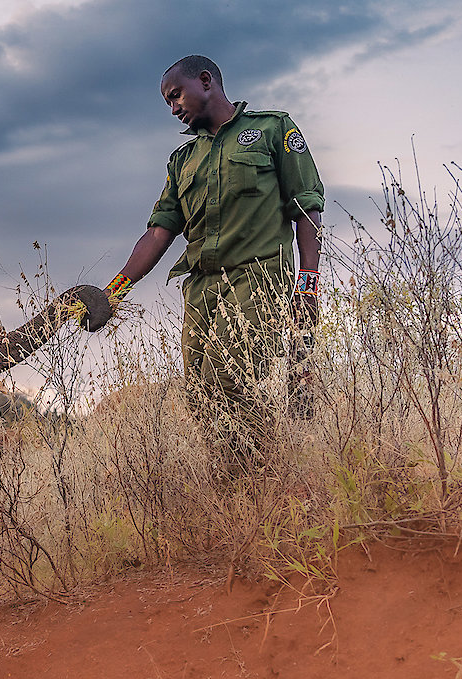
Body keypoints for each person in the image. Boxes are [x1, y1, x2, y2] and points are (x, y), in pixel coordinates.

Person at [102, 55, 324, 451]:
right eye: (167, 103)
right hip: (201, 289)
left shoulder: (272, 129)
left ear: (205, 81)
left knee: (229, 378)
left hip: (257, 278)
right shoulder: (183, 161)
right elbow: (157, 234)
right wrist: (112, 292)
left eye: (176, 97)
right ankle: (234, 487)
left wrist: (308, 286)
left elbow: (306, 209)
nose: (173, 109)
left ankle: (260, 478)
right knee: (200, 396)